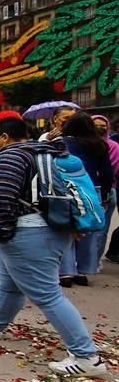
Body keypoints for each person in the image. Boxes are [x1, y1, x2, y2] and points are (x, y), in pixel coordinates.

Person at [0, 116, 107, 377]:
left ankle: (86, 356)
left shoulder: (11, 157)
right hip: (49, 228)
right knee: (9, 280)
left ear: (4, 137)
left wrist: (1, 234)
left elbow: (2, 196)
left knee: (47, 294)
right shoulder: (45, 152)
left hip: (27, 233)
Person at [57, 112, 114, 287]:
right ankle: (83, 270)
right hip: (92, 190)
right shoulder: (99, 145)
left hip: (66, 189)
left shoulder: (61, 143)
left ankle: (65, 272)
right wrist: (105, 194)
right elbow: (107, 173)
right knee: (88, 230)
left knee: (66, 229)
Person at [91, 115, 119, 265]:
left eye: (103, 126)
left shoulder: (113, 146)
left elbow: (112, 170)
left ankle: (94, 261)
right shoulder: (82, 143)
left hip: (107, 190)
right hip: (86, 189)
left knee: (102, 229)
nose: (100, 128)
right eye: (96, 125)